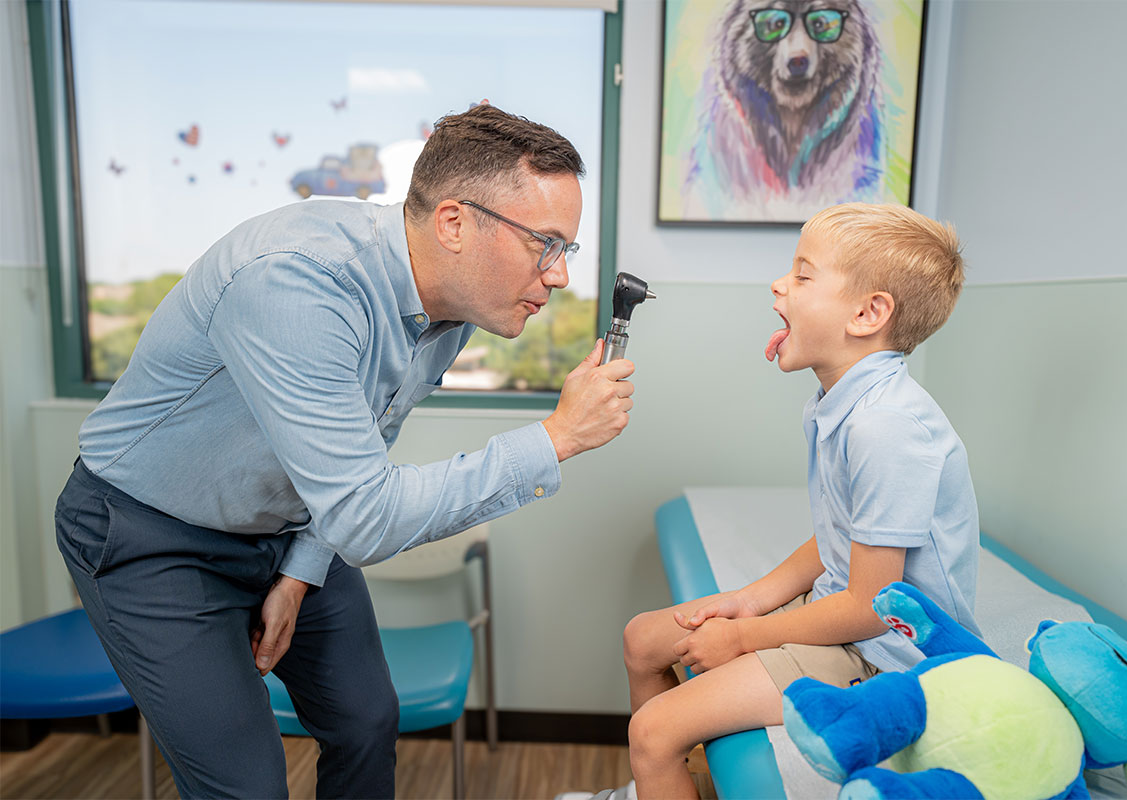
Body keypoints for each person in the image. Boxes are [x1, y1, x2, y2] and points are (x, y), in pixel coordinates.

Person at [55, 104, 635, 799]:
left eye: (564, 250)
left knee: (365, 719)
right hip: (148, 531)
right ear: (453, 222)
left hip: (289, 524)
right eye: (546, 243)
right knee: (247, 786)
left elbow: (368, 437)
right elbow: (365, 515)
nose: (559, 275)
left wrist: (298, 569)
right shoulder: (298, 282)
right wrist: (556, 437)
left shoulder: (451, 304)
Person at [620, 203, 979, 799]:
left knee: (653, 732)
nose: (779, 285)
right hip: (845, 615)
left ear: (867, 313)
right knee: (643, 639)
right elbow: (843, 533)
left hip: (887, 654)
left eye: (803, 275)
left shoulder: (887, 428)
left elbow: (872, 607)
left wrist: (742, 638)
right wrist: (749, 601)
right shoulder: (839, 401)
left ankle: (662, 770)